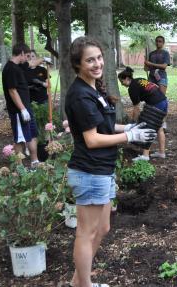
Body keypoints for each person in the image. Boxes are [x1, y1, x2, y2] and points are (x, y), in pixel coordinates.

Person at [65, 37, 156, 287]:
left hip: (102, 170)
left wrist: (129, 126)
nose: (97, 63)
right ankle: (83, 285)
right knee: (86, 233)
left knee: (102, 228)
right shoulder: (81, 95)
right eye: (89, 60)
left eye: (99, 57)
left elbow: (103, 126)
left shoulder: (93, 89)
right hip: (89, 171)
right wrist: (130, 136)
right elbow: (92, 139)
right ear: (78, 64)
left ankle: (78, 282)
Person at [1, 43, 39, 167]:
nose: (28, 59)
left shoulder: (18, 66)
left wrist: (44, 60)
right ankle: (20, 169)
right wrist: (22, 109)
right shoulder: (10, 69)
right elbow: (12, 90)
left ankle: (35, 162)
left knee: (32, 135)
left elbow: (32, 63)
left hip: (26, 108)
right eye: (27, 55)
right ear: (22, 53)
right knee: (20, 139)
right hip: (18, 111)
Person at [118, 66, 168, 160]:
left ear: (127, 78)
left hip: (156, 103)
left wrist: (134, 122)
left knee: (148, 127)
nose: (122, 84)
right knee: (159, 127)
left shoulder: (132, 88)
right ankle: (162, 153)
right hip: (163, 101)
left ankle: (145, 155)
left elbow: (136, 108)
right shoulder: (139, 80)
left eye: (122, 81)